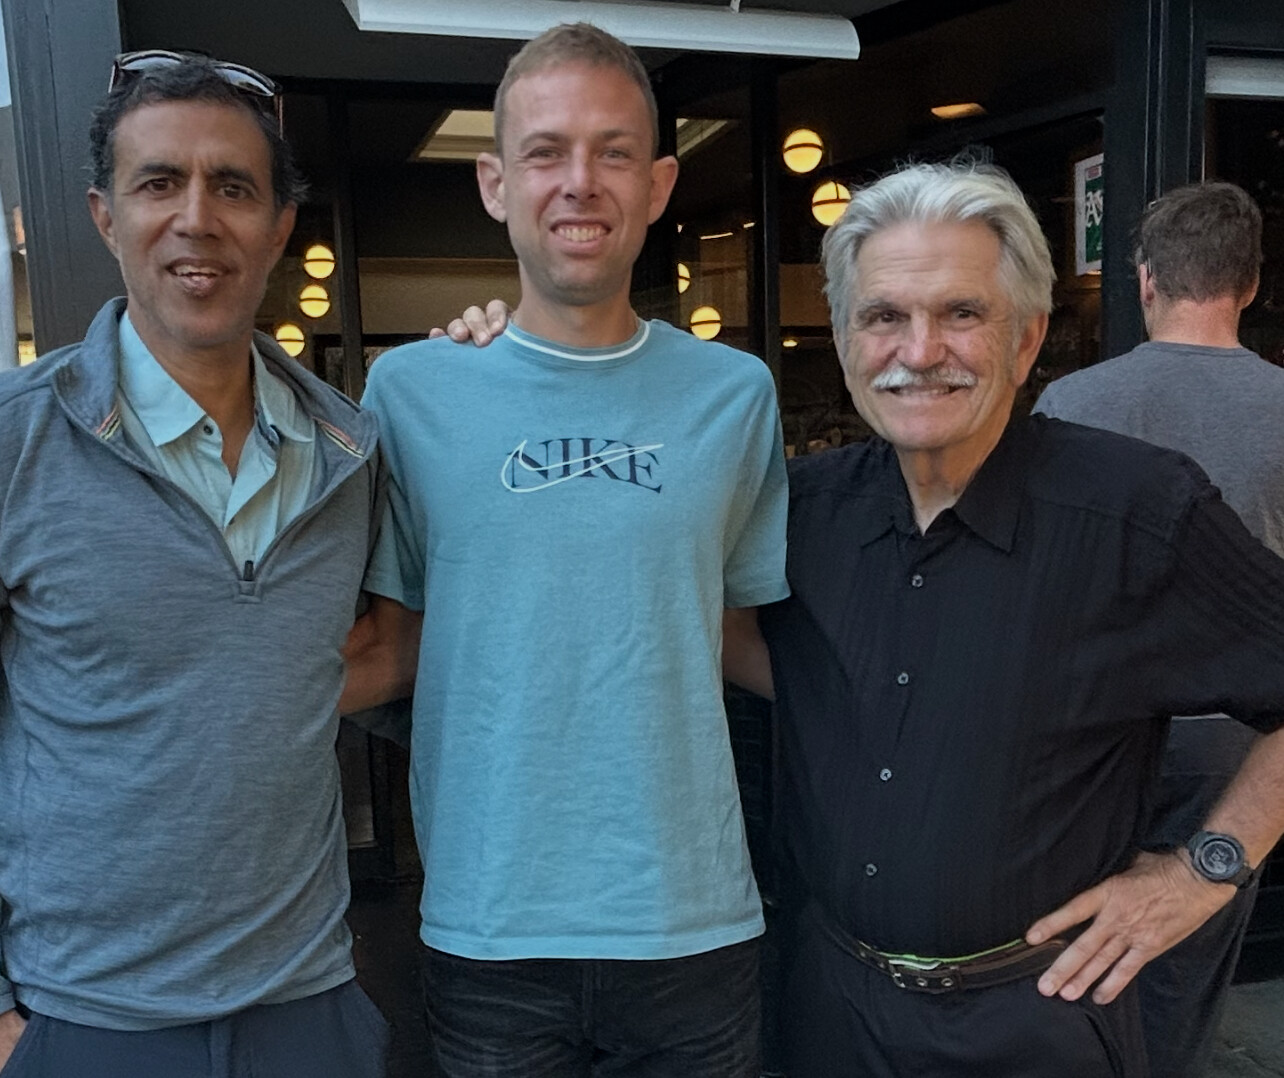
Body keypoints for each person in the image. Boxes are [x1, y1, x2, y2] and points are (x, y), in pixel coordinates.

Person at [738, 161, 1284, 1077]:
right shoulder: (798, 513)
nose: (920, 351)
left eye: (962, 313)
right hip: (829, 1010)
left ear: (1027, 338)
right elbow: (694, 625)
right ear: (843, 339)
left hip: (1035, 1023)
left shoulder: (1137, 514)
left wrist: (1206, 871)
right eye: (884, 316)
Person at [341, 22, 788, 1078]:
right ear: (496, 183)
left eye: (613, 151)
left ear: (660, 183)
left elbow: (739, 634)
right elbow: (398, 643)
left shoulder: (737, 395)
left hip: (693, 921)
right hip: (490, 921)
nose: (579, 181)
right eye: (545, 152)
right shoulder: (410, 392)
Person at [0, 53, 387, 1077]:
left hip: (308, 1010)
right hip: (84, 1018)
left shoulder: (350, 454)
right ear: (104, 215)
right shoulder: (16, 443)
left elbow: (369, 658)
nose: (196, 218)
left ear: (279, 225)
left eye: (234, 187)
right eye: (159, 182)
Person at [1033, 180, 1283, 1078]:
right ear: (1249, 284)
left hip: (1090, 733)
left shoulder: (1072, 403)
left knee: (1068, 958)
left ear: (1144, 280)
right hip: (1240, 746)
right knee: (1182, 977)